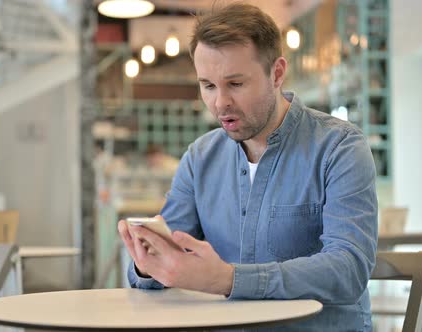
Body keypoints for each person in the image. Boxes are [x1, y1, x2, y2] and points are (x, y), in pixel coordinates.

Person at [117, 3, 378, 331]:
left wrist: (229, 279)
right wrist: (149, 264)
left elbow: (349, 270)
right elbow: (156, 266)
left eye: (236, 84)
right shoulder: (200, 158)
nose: (220, 102)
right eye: (208, 86)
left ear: (277, 74)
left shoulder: (339, 147)